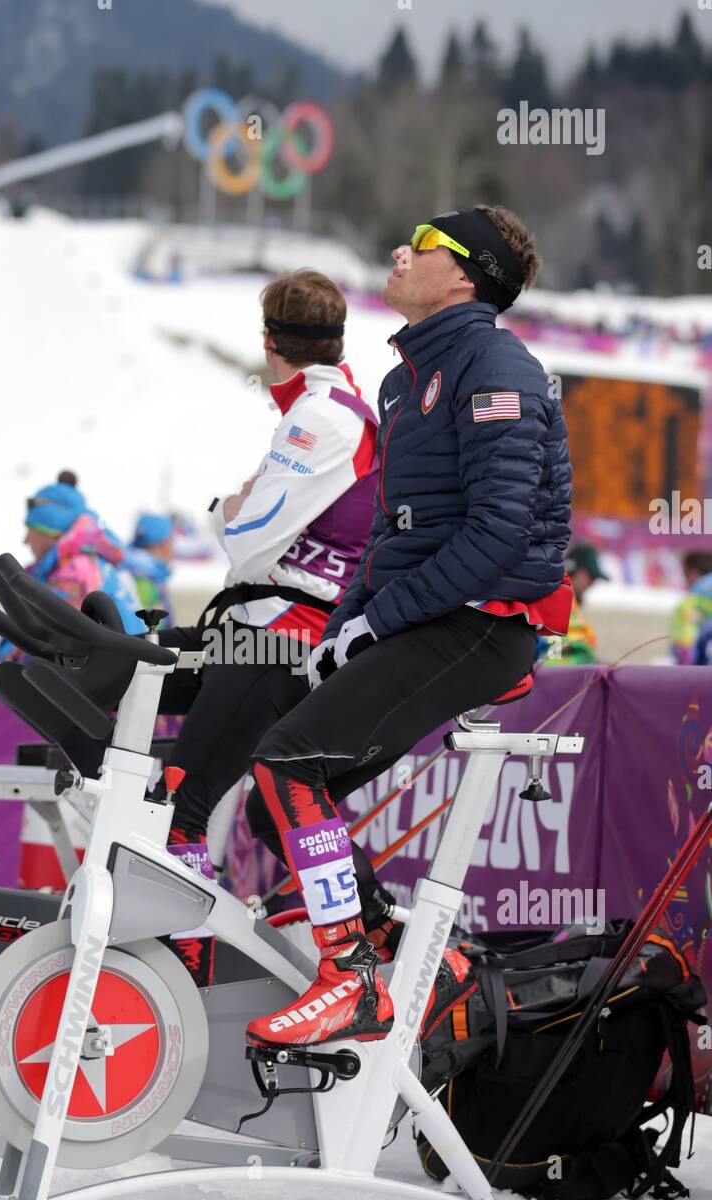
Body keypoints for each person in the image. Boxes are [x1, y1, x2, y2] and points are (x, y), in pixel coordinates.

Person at [243, 206, 574, 1050]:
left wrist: (378, 620)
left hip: (484, 622)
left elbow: (498, 535)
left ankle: (348, 975)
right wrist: (346, 625)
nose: (400, 250)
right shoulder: (401, 378)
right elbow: (393, 534)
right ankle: (409, 953)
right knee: (270, 807)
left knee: (287, 760)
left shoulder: (497, 364)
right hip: (425, 614)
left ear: (464, 278)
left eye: (425, 244)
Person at [153, 269, 379, 879]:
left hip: (281, 635)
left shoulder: (321, 417)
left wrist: (225, 510)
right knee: (120, 681)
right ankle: (375, 936)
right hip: (272, 629)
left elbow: (249, 543)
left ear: (268, 342)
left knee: (182, 811)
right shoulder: (328, 406)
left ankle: (183, 959)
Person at [3, 471, 143, 658]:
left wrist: (9, 658)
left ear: (51, 533)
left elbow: (47, 645)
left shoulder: (77, 571)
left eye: (31, 530)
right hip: (119, 671)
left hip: (108, 677)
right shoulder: (91, 561)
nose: (26, 540)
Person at [538, 541, 605, 665]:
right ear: (580, 573)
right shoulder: (560, 601)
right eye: (592, 578)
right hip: (553, 679)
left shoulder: (550, 592)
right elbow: (553, 660)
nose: (592, 584)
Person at [125, 513, 175, 625]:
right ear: (164, 543)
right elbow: (150, 633)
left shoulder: (132, 569)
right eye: (172, 539)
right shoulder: (145, 581)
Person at [670, 551, 712, 665]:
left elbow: (687, 638)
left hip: (700, 670)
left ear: (693, 573)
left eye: (684, 573)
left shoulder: (697, 597)